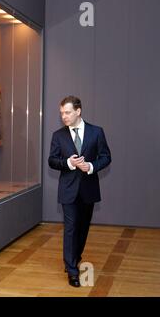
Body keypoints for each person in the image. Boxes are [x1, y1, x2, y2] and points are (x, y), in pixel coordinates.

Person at [48, 96, 111, 287]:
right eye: (61, 113)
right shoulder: (58, 135)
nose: (64, 116)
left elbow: (106, 157)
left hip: (88, 190)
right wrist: (68, 163)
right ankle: (72, 270)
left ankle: (75, 257)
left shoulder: (96, 132)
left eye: (67, 112)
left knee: (82, 229)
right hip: (68, 190)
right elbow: (52, 160)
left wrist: (91, 166)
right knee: (71, 228)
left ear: (78, 111)